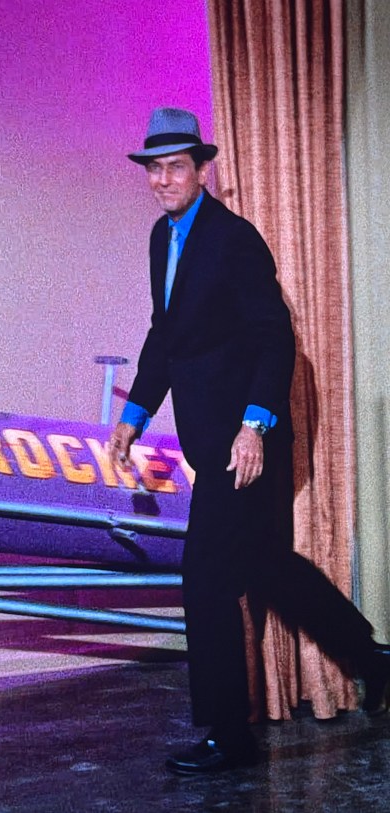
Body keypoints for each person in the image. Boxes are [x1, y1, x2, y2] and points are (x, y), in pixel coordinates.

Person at [106, 107, 390, 775]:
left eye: (177, 166)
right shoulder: (161, 239)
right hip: (212, 440)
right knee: (267, 568)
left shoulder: (234, 239)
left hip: (247, 441)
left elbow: (275, 337)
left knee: (203, 579)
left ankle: (229, 736)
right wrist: (135, 414)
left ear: (201, 170)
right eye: (155, 167)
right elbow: (165, 336)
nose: (165, 178)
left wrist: (256, 423)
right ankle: (372, 656)